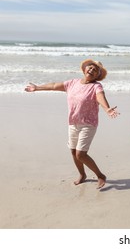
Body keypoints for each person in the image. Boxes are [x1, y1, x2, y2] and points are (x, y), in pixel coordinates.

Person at [25, 59, 119, 189]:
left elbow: (100, 96)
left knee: (81, 154)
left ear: (97, 75)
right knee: (73, 152)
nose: (91, 70)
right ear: (85, 69)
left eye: (95, 70)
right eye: (90, 68)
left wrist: (107, 108)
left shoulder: (96, 86)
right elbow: (53, 86)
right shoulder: (72, 83)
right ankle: (82, 175)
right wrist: (37, 88)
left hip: (88, 124)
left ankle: (100, 175)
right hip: (73, 122)